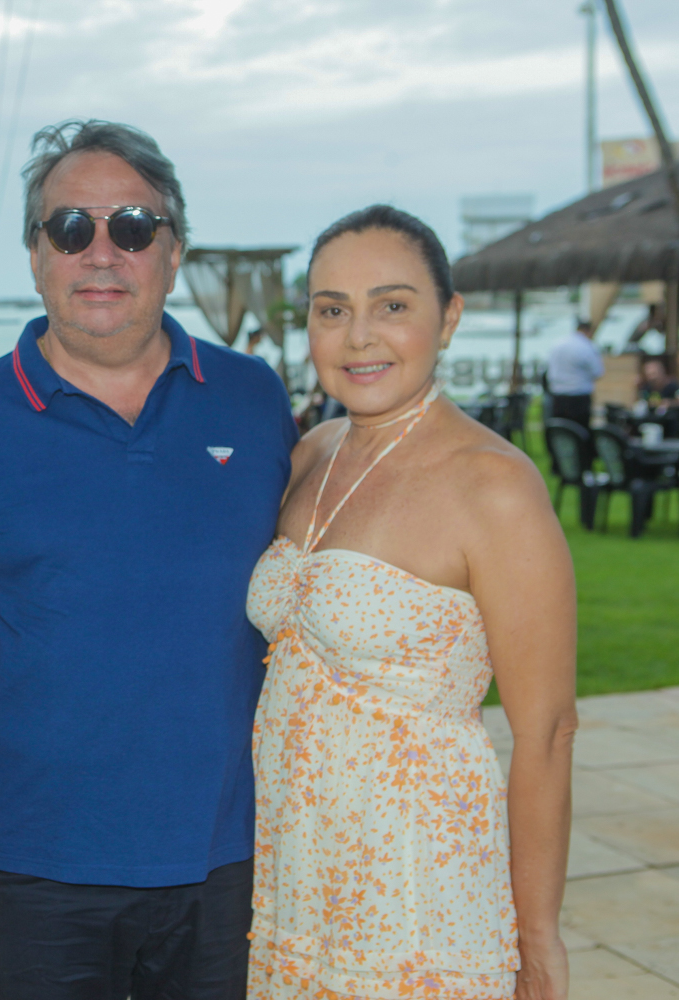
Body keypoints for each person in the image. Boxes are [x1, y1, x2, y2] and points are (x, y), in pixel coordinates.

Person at [0, 120, 297, 1000]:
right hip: (41, 868)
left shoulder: (254, 398)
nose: (102, 252)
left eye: (134, 226)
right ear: (36, 255)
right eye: (71, 227)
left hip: (233, 855)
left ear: (174, 252)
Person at [247, 205, 575, 1000]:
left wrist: (537, 938)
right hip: (294, 881)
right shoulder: (311, 454)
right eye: (332, 310)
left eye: (392, 305)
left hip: (419, 891)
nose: (360, 337)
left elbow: (547, 732)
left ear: (448, 317)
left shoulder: (493, 486)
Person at [546, 320, 602, 429]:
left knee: (561, 429)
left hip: (558, 395)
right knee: (580, 431)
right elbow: (597, 372)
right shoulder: (587, 346)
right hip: (579, 396)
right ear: (589, 331)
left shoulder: (558, 343)